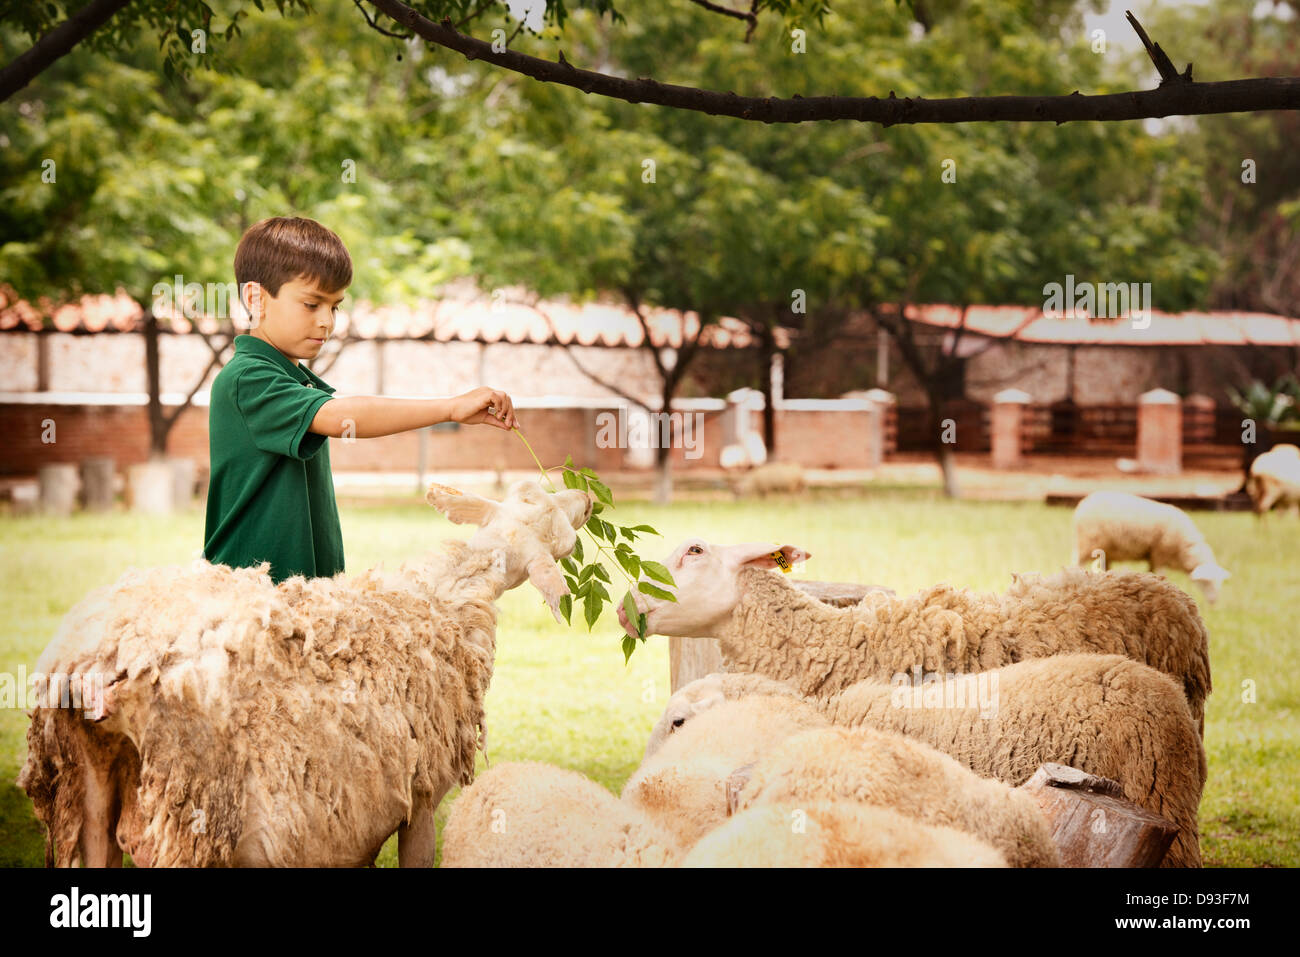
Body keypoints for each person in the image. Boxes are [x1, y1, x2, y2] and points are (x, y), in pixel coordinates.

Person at [203, 216, 518, 584]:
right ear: (256, 298)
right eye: (311, 304)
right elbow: (342, 417)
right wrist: (448, 408)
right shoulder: (246, 379)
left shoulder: (294, 381)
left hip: (304, 598)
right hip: (248, 601)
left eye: (334, 307)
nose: (327, 322)